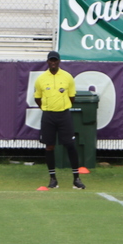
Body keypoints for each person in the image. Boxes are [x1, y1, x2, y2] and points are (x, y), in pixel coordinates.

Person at [34, 50, 84, 190]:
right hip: (48, 116)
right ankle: (53, 179)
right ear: (48, 62)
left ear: (59, 61)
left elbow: (72, 97)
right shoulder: (41, 79)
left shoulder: (67, 77)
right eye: (51, 60)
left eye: (55, 60)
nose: (53, 63)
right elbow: (37, 98)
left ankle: (76, 179)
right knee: (49, 146)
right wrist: (46, 108)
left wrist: (62, 106)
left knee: (70, 145)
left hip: (64, 115)